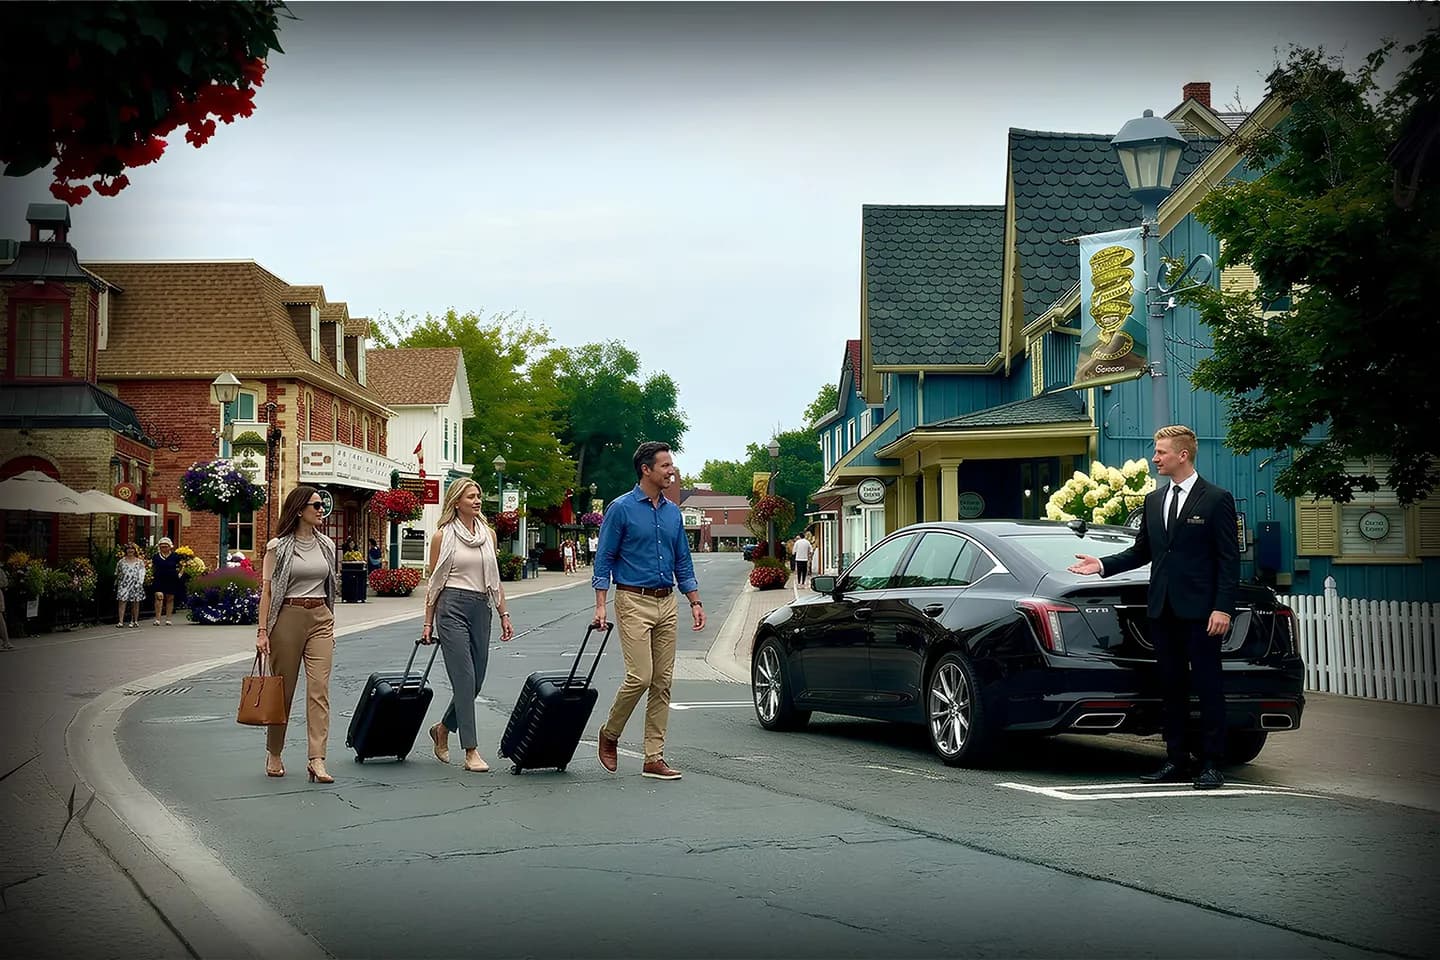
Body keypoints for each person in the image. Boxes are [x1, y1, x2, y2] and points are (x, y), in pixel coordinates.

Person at [1067, 424, 1238, 790]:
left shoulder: (1216, 499)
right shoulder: (1154, 501)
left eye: (1160, 452)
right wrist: (1101, 565)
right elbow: (1141, 551)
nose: (1155, 458)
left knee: (1208, 687)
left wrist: (1222, 608)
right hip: (1162, 610)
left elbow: (1228, 560)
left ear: (1183, 455)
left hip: (1203, 613)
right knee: (1171, 687)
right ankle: (1176, 759)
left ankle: (1211, 763)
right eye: (1155, 451)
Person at [593, 441, 704, 782]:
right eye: (666, 465)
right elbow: (604, 558)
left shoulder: (672, 512)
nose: (672, 471)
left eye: (672, 465)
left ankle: (653, 757)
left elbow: (682, 561)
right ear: (646, 470)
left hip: (667, 600)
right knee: (639, 676)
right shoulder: (621, 509)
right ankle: (609, 734)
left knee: (662, 681)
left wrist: (695, 601)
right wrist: (601, 605)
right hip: (633, 600)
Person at [423, 478, 515, 772]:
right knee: (463, 679)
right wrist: (428, 623)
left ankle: (442, 728)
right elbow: (434, 584)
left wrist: (504, 614)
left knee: (476, 681)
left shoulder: (488, 535)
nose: (477, 501)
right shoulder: (442, 535)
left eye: (478, 496)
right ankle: (471, 750)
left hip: (481, 607)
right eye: (471, 497)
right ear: (456, 502)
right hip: (451, 607)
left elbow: (495, 579)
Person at [256, 486, 339, 783]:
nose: (320, 510)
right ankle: (274, 751)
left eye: (322, 506)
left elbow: (330, 586)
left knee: (320, 689)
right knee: (284, 690)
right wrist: (263, 631)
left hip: (320, 618)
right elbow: (267, 591)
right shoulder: (277, 547)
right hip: (287, 618)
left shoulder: (327, 545)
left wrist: (330, 617)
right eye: (316, 505)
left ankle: (317, 758)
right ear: (299, 509)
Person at [151, 537, 182, 625]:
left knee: (170, 598)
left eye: (165, 546)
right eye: (162, 547)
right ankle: (157, 619)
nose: (164, 548)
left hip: (171, 579)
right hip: (159, 579)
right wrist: (152, 576)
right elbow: (152, 567)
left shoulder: (175, 556)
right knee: (159, 597)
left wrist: (179, 574)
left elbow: (182, 566)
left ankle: (168, 619)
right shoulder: (156, 557)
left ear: (170, 547)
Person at [115, 543, 146, 628]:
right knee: (122, 601)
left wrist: (140, 583)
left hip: (136, 584)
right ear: (125, 551)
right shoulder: (121, 562)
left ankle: (134, 620)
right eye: (128, 549)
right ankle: (120, 621)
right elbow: (117, 572)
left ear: (135, 550)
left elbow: (142, 573)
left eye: (132, 549)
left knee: (135, 602)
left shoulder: (139, 562)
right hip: (124, 584)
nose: (130, 550)